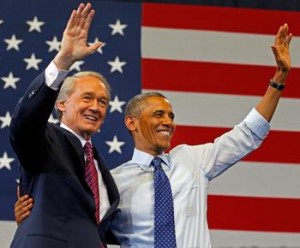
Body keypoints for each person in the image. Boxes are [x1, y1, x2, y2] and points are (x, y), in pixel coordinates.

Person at [14, 23, 292, 248]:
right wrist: (31, 216)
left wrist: (278, 80)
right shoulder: (113, 182)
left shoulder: (193, 160)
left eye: (170, 116)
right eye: (158, 115)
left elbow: (247, 134)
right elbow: (88, 225)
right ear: (131, 123)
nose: (168, 122)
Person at [9, 2, 119, 248]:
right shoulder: (45, 140)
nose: (95, 107)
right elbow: (23, 123)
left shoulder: (99, 166)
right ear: (61, 105)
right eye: (87, 98)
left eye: (102, 102)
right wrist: (63, 61)